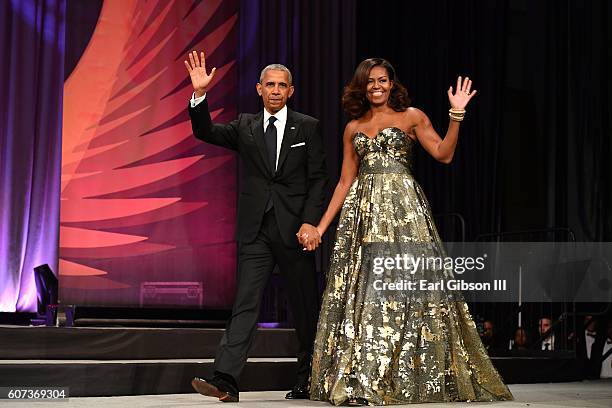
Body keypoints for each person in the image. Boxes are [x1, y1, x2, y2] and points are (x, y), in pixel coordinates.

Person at [308, 58, 513, 405]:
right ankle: (364, 381)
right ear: (361, 86)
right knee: (367, 294)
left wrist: (456, 116)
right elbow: (345, 182)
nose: (377, 86)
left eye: (383, 80)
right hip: (363, 217)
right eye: (370, 81)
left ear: (392, 84)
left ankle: (395, 377)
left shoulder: (411, 116)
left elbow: (443, 154)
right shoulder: (353, 127)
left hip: (404, 214)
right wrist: (321, 227)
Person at [184, 51, 328, 402]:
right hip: (255, 232)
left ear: (291, 91)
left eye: (282, 85)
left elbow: (319, 179)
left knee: (305, 308)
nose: (276, 91)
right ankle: (226, 380)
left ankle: (307, 377)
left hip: (295, 231)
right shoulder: (245, 126)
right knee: (245, 304)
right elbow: (205, 131)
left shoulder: (307, 126)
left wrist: (311, 222)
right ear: (259, 89)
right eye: (270, 85)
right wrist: (200, 95)